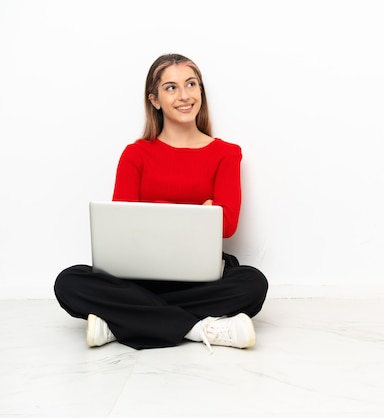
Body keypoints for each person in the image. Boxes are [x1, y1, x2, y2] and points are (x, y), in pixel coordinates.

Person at [54, 53, 268, 352]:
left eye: (191, 84)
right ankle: (199, 328)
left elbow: (228, 224)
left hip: (200, 276)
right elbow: (121, 226)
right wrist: (202, 211)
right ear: (154, 100)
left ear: (200, 92)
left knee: (253, 284)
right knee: (69, 281)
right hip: (140, 277)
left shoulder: (226, 154)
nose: (184, 96)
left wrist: (159, 207)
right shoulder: (136, 154)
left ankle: (119, 322)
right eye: (171, 88)